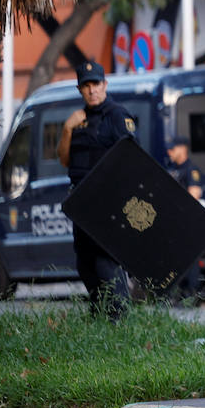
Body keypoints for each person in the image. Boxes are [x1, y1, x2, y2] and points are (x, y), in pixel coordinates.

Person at [56, 60, 137, 320]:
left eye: (96, 84)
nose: (92, 91)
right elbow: (64, 160)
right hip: (81, 203)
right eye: (86, 86)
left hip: (106, 202)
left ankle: (119, 319)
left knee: (106, 261)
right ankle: (99, 313)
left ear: (105, 85)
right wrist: (67, 128)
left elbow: (131, 159)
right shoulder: (78, 119)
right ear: (80, 89)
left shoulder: (116, 115)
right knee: (85, 262)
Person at [165, 134, 204, 303]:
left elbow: (194, 194)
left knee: (190, 258)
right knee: (175, 258)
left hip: (187, 220)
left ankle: (192, 293)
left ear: (183, 149)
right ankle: (177, 291)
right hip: (173, 221)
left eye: (173, 148)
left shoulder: (191, 169)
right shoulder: (171, 168)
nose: (169, 151)